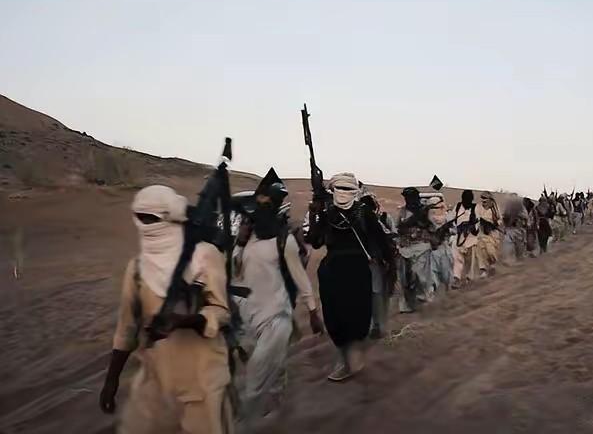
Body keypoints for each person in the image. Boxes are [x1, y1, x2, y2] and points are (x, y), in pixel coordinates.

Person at [99, 185, 234, 434]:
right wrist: (111, 381)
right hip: (155, 383)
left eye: (152, 219)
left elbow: (222, 312)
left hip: (202, 381)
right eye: (141, 218)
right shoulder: (137, 268)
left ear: (172, 217)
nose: (146, 225)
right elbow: (126, 329)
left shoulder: (204, 256)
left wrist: (183, 321)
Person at [232, 176, 324, 424]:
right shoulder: (244, 240)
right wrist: (239, 243)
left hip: (274, 314)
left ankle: (249, 421)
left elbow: (300, 277)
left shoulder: (285, 240)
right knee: (264, 363)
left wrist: (313, 311)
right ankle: (272, 409)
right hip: (245, 313)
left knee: (258, 373)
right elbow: (234, 272)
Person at [306, 173, 392, 382]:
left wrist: (387, 262)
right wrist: (314, 215)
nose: (343, 193)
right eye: (340, 189)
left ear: (355, 192)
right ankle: (346, 360)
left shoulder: (364, 213)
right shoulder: (327, 213)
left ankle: (351, 361)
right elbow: (315, 242)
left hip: (356, 271)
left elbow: (381, 240)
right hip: (333, 272)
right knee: (335, 317)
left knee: (356, 315)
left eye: (348, 189)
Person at [360, 191, 397, 339]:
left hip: (371, 262)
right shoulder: (368, 221)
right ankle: (375, 325)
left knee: (372, 293)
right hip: (371, 262)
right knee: (374, 293)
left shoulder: (381, 219)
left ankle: (374, 326)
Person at [395, 187, 435, 312]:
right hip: (405, 248)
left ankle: (424, 295)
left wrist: (423, 220)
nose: (408, 200)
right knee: (405, 278)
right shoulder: (402, 211)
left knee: (419, 274)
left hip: (422, 246)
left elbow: (432, 227)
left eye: (410, 197)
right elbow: (398, 227)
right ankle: (406, 305)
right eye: (406, 198)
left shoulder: (425, 211)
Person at [425, 193, 453, 293]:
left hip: (442, 247)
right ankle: (433, 289)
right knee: (433, 271)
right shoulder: (426, 220)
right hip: (433, 248)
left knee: (445, 272)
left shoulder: (446, 218)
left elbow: (453, 230)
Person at [451, 189, 479, 288]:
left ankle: (468, 278)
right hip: (459, 238)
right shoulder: (458, 207)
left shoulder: (475, 208)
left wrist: (470, 227)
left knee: (469, 262)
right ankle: (456, 278)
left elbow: (477, 225)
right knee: (457, 259)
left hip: (471, 239)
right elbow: (452, 220)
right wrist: (458, 228)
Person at [474, 191, 502, 278]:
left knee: (491, 251)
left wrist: (495, 224)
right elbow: (477, 218)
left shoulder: (495, 208)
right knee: (481, 252)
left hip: (493, 234)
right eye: (482, 199)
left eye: (485, 199)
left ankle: (492, 264)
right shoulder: (478, 207)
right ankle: (483, 270)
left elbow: (499, 219)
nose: (483, 201)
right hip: (481, 233)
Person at [501, 193, 528, 263]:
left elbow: (525, 219)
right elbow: (504, 218)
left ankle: (518, 260)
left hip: (518, 229)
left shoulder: (521, 209)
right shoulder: (510, 208)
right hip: (511, 229)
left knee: (519, 248)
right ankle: (509, 260)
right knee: (508, 245)